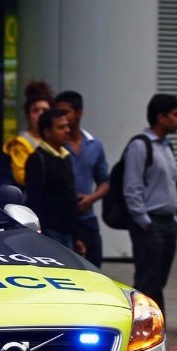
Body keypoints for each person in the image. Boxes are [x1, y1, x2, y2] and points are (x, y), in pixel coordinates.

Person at [122, 93, 177, 315]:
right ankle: (145, 324)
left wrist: (175, 220)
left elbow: (170, 184)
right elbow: (132, 187)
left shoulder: (167, 146)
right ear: (161, 117)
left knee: (159, 280)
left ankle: (155, 323)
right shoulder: (140, 145)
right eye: (175, 115)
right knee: (148, 280)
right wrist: (143, 220)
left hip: (168, 223)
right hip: (150, 222)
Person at [54, 90, 109, 266]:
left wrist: (91, 198)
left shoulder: (94, 144)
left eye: (66, 112)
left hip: (86, 216)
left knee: (94, 266)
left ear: (78, 113)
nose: (62, 117)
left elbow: (104, 181)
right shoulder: (56, 145)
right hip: (62, 219)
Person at [24, 108, 76, 248]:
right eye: (61, 127)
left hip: (67, 230)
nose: (67, 130)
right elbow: (34, 199)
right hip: (51, 232)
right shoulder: (38, 159)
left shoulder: (65, 156)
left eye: (67, 126)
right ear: (47, 132)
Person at [1, 80, 54, 187]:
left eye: (45, 110)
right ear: (28, 116)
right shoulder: (21, 143)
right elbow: (21, 177)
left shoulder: (56, 140)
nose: (40, 114)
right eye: (35, 110)